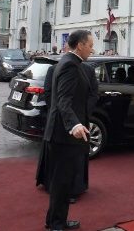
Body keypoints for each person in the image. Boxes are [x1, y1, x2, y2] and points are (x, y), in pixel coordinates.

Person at [43, 30, 97, 231]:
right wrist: (73, 125)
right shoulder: (69, 66)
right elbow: (63, 101)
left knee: (61, 182)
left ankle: (54, 220)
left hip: (63, 134)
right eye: (90, 45)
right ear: (81, 45)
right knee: (62, 182)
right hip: (63, 136)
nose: (92, 50)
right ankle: (57, 224)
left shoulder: (70, 62)